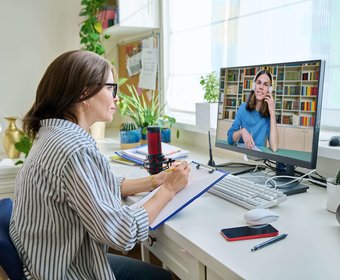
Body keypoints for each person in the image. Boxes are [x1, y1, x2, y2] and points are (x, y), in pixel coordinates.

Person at [9, 50, 191, 280]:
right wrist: (169, 190)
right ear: (84, 92)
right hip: (67, 272)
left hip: (48, 262)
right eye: (111, 88)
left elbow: (91, 189)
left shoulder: (52, 134)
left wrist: (154, 181)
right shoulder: (74, 149)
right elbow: (121, 234)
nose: (117, 98)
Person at [227, 69, 279, 152]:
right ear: (254, 86)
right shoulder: (243, 108)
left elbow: (274, 147)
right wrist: (242, 132)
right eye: (258, 83)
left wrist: (272, 113)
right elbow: (230, 139)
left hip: (259, 159)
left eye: (265, 85)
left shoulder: (269, 114)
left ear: (269, 90)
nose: (261, 87)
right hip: (242, 156)